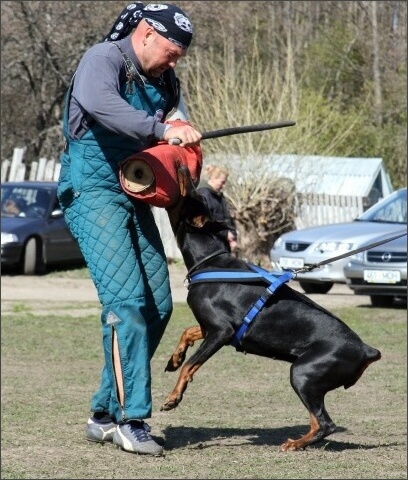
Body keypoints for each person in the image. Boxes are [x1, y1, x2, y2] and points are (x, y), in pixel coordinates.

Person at [57, 3, 202, 456]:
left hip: (133, 187)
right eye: (171, 51)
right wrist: (161, 128)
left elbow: (174, 117)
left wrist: (179, 128)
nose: (174, 61)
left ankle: (102, 413)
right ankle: (131, 419)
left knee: (157, 302)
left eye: (180, 56)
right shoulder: (102, 59)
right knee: (125, 304)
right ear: (145, 34)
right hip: (92, 187)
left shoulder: (164, 79)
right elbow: (103, 107)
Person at [197, 164, 238, 252]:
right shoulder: (203, 195)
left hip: (222, 245)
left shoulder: (219, 196)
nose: (223, 186)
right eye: (222, 182)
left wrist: (232, 236)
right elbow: (205, 222)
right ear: (213, 178)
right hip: (210, 247)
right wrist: (225, 234)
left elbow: (226, 218)